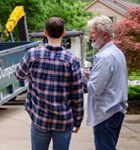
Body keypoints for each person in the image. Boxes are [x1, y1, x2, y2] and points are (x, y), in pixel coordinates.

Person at [14, 17, 84, 150]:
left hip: (40, 118)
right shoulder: (72, 60)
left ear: (45, 33)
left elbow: (19, 75)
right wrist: (78, 120)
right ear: (63, 33)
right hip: (63, 121)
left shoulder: (32, 54)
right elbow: (77, 94)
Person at [82, 15, 128, 150]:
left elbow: (94, 89)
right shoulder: (117, 53)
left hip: (105, 114)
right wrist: (90, 75)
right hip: (116, 111)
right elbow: (110, 79)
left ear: (105, 34)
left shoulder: (104, 57)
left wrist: (81, 76)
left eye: (93, 32)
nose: (90, 36)